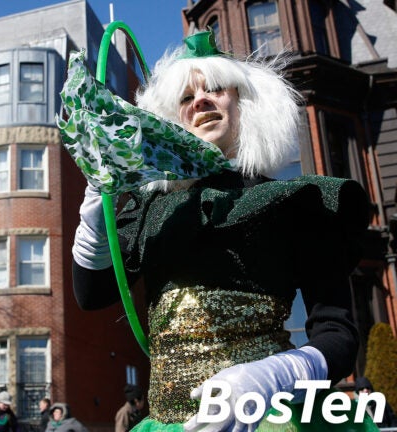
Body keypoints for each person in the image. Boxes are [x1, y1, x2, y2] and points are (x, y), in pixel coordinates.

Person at [58, 30, 377, 431]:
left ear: (246, 103)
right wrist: (96, 194)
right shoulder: (150, 209)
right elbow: (91, 293)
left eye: (214, 89)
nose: (201, 102)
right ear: (173, 118)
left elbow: (338, 335)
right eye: (187, 98)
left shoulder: (300, 204)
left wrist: (270, 377)